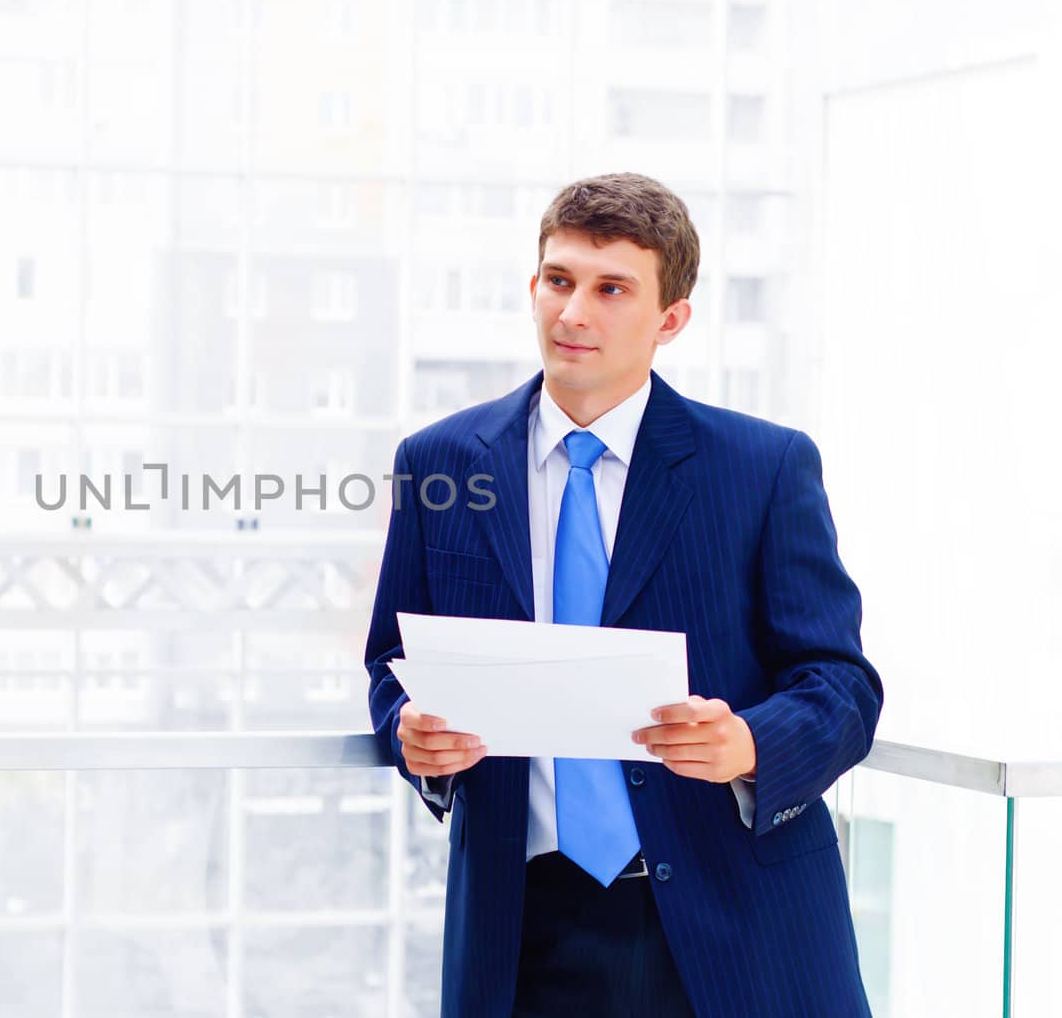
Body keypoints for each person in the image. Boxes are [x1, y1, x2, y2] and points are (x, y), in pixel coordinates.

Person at [364, 172, 882, 1018]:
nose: (575, 313)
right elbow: (392, 659)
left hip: (735, 919)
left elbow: (843, 685)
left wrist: (749, 742)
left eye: (612, 289)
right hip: (523, 924)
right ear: (533, 287)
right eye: (559, 281)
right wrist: (409, 731)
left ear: (670, 318)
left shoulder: (762, 467)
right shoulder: (440, 463)